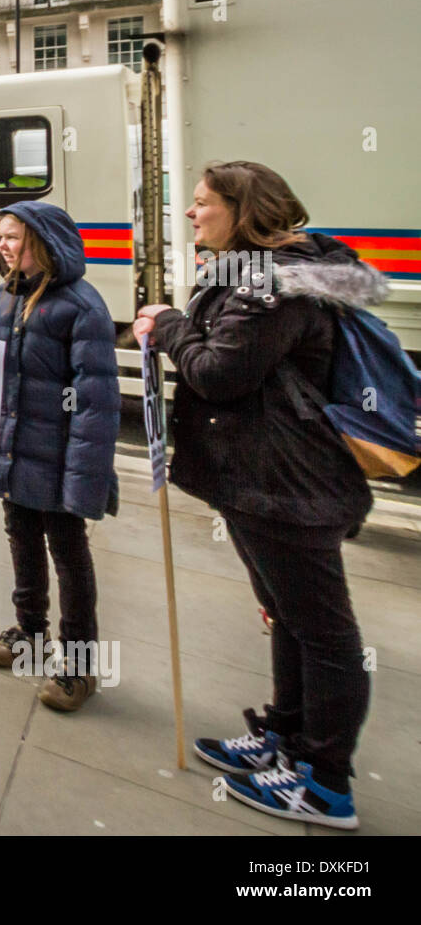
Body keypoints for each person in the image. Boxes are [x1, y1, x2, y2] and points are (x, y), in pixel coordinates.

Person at [134, 160, 384, 830]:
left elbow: (221, 372)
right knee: (286, 615)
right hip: (260, 477)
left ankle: (326, 783)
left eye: (201, 203)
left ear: (242, 211)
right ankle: (284, 736)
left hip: (284, 484)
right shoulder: (255, 276)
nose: (191, 214)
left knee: (326, 634)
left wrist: (165, 326)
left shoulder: (275, 288)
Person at [0, 201, 120, 712]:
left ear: (44, 241)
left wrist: (85, 482)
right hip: (15, 452)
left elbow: (96, 403)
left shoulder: (82, 307)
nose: (3, 246)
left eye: (13, 237)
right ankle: (30, 636)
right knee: (21, 538)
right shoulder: (2, 297)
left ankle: (79, 669)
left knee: (69, 554)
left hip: (59, 459)